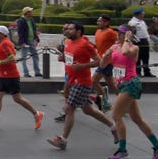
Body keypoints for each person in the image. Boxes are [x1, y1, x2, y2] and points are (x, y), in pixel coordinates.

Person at [48, 21, 117, 150]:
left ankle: (63, 140)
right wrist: (62, 57)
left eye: (70, 29)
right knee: (88, 110)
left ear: (78, 31)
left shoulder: (85, 44)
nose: (67, 31)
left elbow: (99, 61)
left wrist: (82, 66)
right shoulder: (68, 42)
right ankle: (113, 127)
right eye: (67, 28)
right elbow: (69, 59)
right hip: (71, 80)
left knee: (69, 108)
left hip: (82, 82)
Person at [102, 25, 158, 159]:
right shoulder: (115, 48)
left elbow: (126, 53)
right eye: (118, 33)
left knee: (116, 115)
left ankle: (122, 149)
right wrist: (105, 55)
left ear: (129, 34)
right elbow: (103, 65)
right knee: (136, 118)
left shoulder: (133, 48)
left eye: (121, 33)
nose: (118, 35)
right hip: (121, 84)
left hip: (131, 84)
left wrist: (127, 39)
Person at [0, 25, 44, 130]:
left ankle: (37, 114)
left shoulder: (5, 43)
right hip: (4, 75)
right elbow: (12, 54)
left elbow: (12, 59)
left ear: (2, 34)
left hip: (10, 75)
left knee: (17, 98)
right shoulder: (4, 43)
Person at [91, 14, 118, 110]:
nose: (98, 23)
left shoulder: (111, 32)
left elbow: (118, 43)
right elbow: (99, 45)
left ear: (107, 22)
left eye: (100, 21)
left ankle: (104, 101)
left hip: (107, 61)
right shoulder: (97, 31)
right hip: (101, 60)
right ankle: (124, 102)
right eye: (98, 21)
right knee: (111, 84)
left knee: (93, 81)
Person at [16, 6, 42, 78]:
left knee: (35, 56)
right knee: (24, 57)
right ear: (26, 13)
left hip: (31, 40)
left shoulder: (31, 20)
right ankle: (26, 73)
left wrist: (36, 38)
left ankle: (37, 72)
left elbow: (34, 30)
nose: (32, 13)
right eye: (30, 11)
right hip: (25, 41)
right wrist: (22, 42)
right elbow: (20, 32)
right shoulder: (21, 21)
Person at [128, 8, 154, 77]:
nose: (143, 15)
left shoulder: (142, 21)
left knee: (146, 57)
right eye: (142, 13)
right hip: (138, 42)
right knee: (138, 58)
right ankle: (138, 72)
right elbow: (131, 33)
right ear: (138, 14)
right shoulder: (132, 22)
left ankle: (147, 72)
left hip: (145, 41)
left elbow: (145, 31)